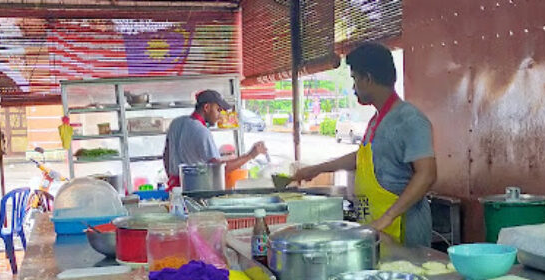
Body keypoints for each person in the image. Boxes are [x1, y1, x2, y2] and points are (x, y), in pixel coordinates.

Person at [293, 43, 437, 246]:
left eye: (354, 79)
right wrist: (318, 169)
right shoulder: (377, 119)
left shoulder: (410, 119)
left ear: (367, 79)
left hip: (402, 229)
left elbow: (427, 174)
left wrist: (388, 217)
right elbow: (364, 157)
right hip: (376, 225)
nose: (353, 88)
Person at [162, 89, 267, 188]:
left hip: (175, 188)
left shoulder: (177, 122)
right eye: (218, 110)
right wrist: (250, 155)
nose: (220, 115)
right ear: (206, 107)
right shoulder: (201, 131)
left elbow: (166, 155)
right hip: (196, 189)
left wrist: (173, 179)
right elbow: (219, 169)